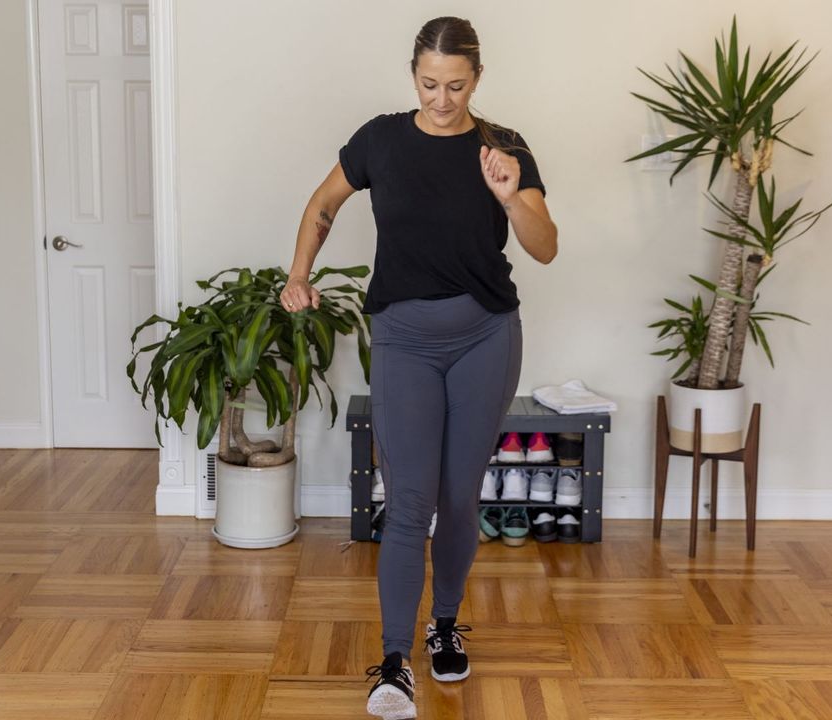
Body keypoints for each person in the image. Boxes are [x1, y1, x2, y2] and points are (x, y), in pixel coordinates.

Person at [281, 16, 557, 720]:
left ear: (477, 78)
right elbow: (322, 204)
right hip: (403, 337)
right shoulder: (380, 139)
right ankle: (396, 661)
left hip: (485, 336)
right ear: (414, 75)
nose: (442, 98)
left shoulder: (505, 147)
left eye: (456, 85)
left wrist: (507, 195)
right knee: (408, 502)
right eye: (430, 84)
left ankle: (444, 627)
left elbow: (545, 245)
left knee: (460, 496)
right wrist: (297, 275)